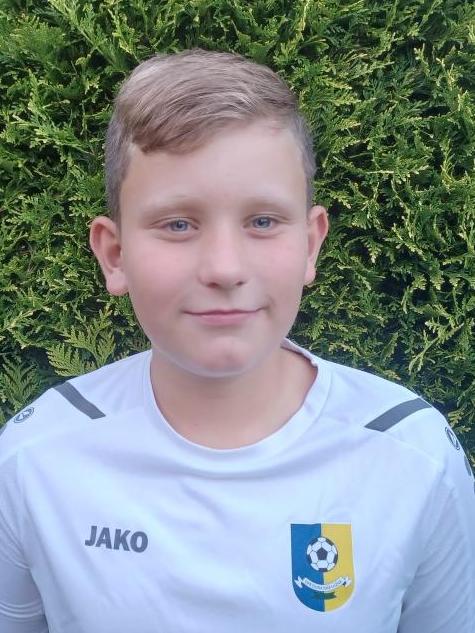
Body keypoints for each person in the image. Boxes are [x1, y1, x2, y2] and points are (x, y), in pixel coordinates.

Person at [0, 49, 474, 633]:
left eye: (263, 222)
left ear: (310, 245)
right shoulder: (34, 459)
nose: (225, 268)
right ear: (115, 255)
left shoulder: (413, 454)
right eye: (178, 224)